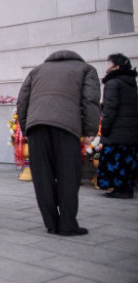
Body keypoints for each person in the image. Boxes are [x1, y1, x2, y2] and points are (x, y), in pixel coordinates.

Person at [17, 50, 100, 236]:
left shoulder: (37, 70)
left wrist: (26, 128)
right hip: (67, 127)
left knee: (42, 177)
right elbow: (91, 101)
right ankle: (68, 224)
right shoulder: (86, 69)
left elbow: (22, 101)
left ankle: (51, 223)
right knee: (68, 176)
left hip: (37, 128)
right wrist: (90, 131)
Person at [96, 53, 138, 199]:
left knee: (116, 161)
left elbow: (110, 109)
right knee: (128, 161)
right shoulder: (131, 83)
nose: (108, 67)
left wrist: (105, 128)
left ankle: (119, 189)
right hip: (131, 131)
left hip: (117, 131)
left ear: (117, 66)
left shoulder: (113, 83)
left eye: (110, 64)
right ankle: (126, 188)